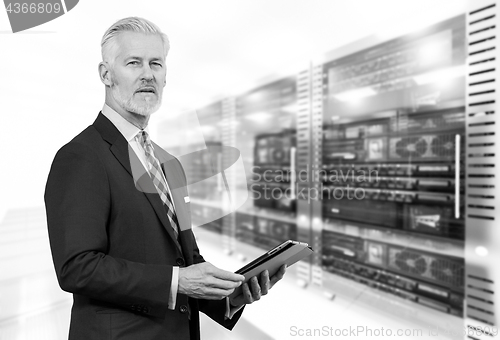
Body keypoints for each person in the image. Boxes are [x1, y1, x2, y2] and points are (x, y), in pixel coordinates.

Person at [44, 17, 286, 340]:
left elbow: (187, 262)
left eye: (156, 64)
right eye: (134, 63)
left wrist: (232, 294)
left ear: (165, 77)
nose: (148, 74)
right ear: (106, 74)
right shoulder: (81, 156)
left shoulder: (168, 163)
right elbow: (77, 267)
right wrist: (176, 281)